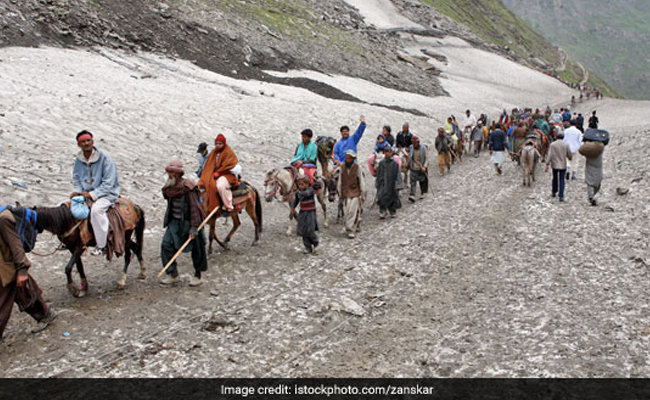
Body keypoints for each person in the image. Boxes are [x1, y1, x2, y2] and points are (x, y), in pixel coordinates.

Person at [0, 206, 57, 339]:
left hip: (7, 268)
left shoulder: (3, 220)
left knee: (3, 304)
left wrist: (22, 271)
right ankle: (45, 314)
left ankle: (45, 315)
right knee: (25, 291)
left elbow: (16, 246)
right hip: (5, 266)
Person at [71, 130, 120, 256]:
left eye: (88, 140)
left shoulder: (105, 158)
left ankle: (102, 245)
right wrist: (77, 191)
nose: (86, 143)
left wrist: (92, 194)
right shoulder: (79, 159)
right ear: (79, 144)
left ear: (92, 141)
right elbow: (76, 178)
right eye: (83, 141)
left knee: (96, 211)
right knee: (66, 207)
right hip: (86, 193)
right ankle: (72, 241)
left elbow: (109, 182)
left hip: (107, 194)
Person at [160, 161, 207, 286]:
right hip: (173, 223)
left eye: (171, 173)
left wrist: (194, 228)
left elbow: (195, 208)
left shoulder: (188, 187)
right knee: (166, 245)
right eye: (168, 172)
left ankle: (198, 276)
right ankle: (173, 274)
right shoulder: (170, 187)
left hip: (189, 222)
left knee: (197, 248)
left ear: (178, 174)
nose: (169, 175)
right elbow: (166, 195)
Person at [198, 133, 239, 217]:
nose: (218, 145)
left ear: (224, 143)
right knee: (204, 183)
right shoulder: (214, 152)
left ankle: (228, 206)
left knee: (220, 186)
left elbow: (229, 165)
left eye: (220, 144)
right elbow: (208, 165)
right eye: (216, 144)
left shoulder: (228, 152)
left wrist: (219, 173)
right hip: (215, 174)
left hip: (226, 174)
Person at [337, 150, 366, 239]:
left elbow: (361, 181)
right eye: (347, 158)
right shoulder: (342, 167)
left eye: (349, 158)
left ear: (353, 159)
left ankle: (350, 229)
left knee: (352, 211)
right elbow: (340, 181)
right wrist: (339, 192)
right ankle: (357, 222)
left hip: (355, 192)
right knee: (348, 210)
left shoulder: (357, 168)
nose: (348, 160)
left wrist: (363, 193)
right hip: (346, 192)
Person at [291, 176, 319, 254]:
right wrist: (292, 208)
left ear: (307, 184)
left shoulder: (310, 190)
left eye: (302, 184)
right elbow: (296, 201)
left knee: (310, 230)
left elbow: (306, 194)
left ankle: (316, 243)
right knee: (303, 231)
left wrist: (298, 192)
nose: (300, 186)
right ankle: (308, 247)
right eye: (299, 185)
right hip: (302, 212)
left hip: (310, 212)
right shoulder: (298, 192)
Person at [375, 145, 402, 219]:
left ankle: (392, 211)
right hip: (383, 184)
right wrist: (377, 183)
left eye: (389, 152)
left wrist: (397, 185)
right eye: (386, 152)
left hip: (391, 184)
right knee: (382, 197)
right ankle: (382, 211)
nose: (387, 153)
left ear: (391, 153)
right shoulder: (381, 163)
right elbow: (379, 174)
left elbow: (398, 175)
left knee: (392, 198)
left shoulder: (395, 164)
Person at [545, 132, 572, 202]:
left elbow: (550, 155)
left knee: (555, 178)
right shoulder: (566, 144)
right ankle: (561, 195)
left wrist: (547, 163)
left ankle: (554, 191)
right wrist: (570, 158)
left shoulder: (552, 144)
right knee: (562, 179)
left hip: (554, 164)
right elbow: (569, 154)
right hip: (563, 164)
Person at [580, 140, 605, 206]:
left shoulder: (589, 150)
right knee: (598, 181)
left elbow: (582, 151)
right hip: (598, 166)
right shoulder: (600, 148)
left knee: (589, 182)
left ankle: (591, 196)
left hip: (590, 165)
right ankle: (594, 195)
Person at [408, 136, 429, 202]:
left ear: (418, 142)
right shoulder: (411, 148)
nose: (414, 144)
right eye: (413, 142)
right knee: (412, 182)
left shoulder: (423, 148)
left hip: (421, 168)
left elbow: (427, 159)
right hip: (413, 167)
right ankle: (412, 195)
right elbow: (410, 157)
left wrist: (424, 166)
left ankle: (422, 192)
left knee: (422, 181)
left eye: (415, 142)